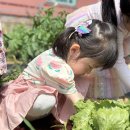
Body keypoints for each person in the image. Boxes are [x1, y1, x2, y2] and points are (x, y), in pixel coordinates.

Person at [0, 19, 118, 130]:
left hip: (48, 89)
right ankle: (25, 119)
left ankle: (52, 116)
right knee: (46, 101)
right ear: (74, 50)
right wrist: (94, 115)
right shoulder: (57, 66)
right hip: (24, 96)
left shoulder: (66, 56)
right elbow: (77, 101)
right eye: (89, 66)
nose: (88, 71)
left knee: (84, 79)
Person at [65, 0, 130, 98]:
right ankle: (73, 98)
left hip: (113, 32)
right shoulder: (116, 23)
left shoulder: (125, 15)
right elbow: (118, 62)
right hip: (89, 32)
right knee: (85, 70)